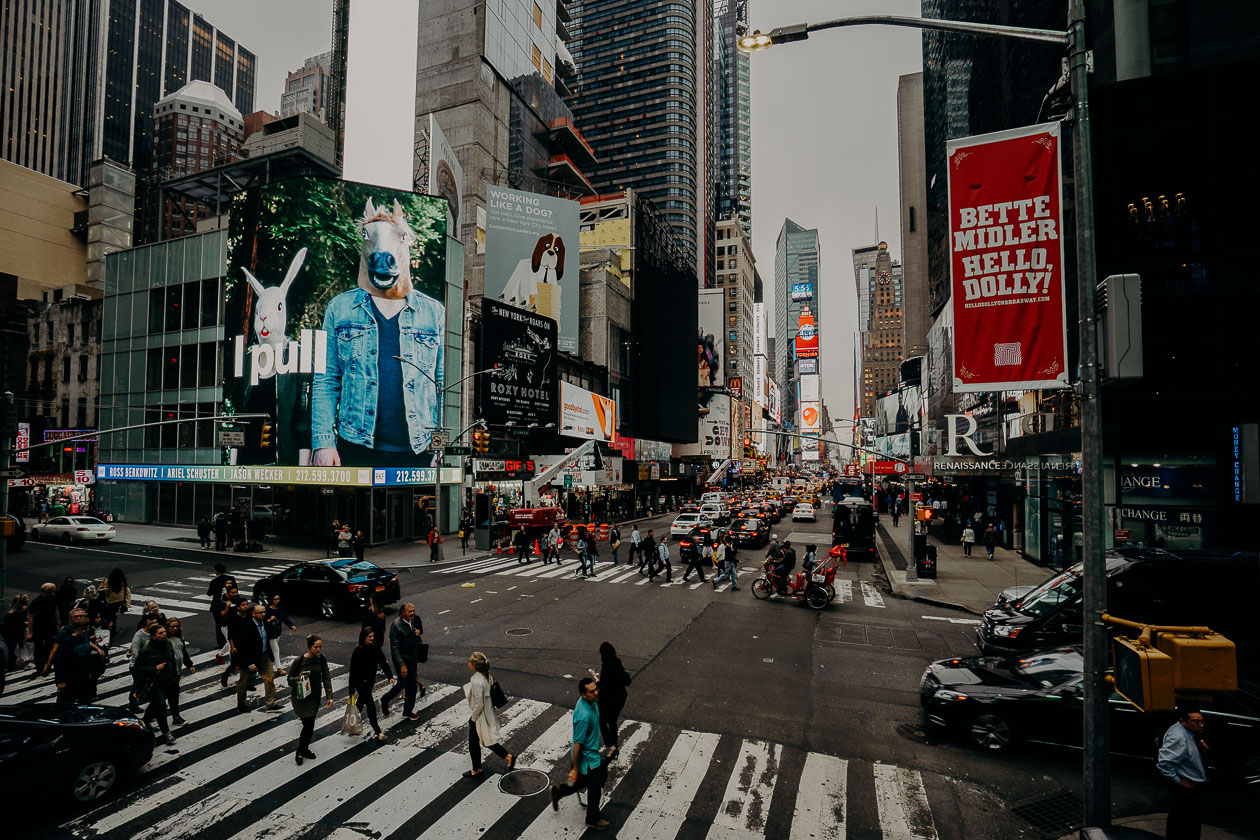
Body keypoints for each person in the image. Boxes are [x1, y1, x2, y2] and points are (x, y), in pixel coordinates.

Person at [549, 677, 610, 830]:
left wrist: (599, 682)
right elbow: (577, 745)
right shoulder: (584, 717)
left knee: (581, 782)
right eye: (592, 691)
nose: (596, 693)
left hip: (591, 755)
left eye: (596, 689)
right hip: (587, 759)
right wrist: (575, 768)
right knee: (595, 788)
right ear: (584, 695)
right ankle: (592, 818)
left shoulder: (588, 700)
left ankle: (558, 792)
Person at [1157, 708, 1209, 840]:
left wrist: (1199, 745)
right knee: (1183, 822)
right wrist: (1177, 780)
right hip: (1187, 786)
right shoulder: (1179, 738)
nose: (1201, 725)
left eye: (1202, 721)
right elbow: (1164, 763)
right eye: (1196, 722)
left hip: (1191, 782)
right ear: (1182, 721)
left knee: (1187, 821)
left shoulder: (1186, 732)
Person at [464, 651, 514, 777]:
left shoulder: (476, 681)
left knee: (482, 741)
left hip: (481, 717)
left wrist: (473, 719)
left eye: (470, 661)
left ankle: (478, 769)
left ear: (474, 665)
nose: (468, 663)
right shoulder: (487, 675)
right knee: (480, 740)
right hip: (488, 712)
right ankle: (505, 758)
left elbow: (478, 704)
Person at [288, 634, 334, 764]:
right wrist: (300, 678)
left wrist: (329, 696)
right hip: (301, 698)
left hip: (314, 697)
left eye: (320, 647)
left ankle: (303, 749)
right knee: (308, 725)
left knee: (310, 725)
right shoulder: (300, 660)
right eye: (315, 647)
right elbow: (289, 679)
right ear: (309, 647)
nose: (318, 649)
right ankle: (301, 750)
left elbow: (326, 677)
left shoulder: (322, 659)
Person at [133, 624, 178, 745]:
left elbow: (172, 660)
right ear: (153, 636)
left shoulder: (168, 644)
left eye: (164, 632)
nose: (164, 635)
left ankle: (145, 721)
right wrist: (154, 668)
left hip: (168, 680)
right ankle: (166, 733)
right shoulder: (146, 650)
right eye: (160, 633)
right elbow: (137, 668)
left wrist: (175, 675)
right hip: (154, 683)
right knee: (161, 706)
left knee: (156, 704)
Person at [231, 603, 279, 713]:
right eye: (260, 613)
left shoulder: (265, 624)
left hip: (264, 655)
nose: (263, 614)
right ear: (253, 614)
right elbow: (242, 647)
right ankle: (241, 704)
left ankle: (270, 704)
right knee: (244, 681)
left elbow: (269, 637)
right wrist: (250, 663)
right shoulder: (247, 627)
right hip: (249, 658)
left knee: (270, 678)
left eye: (264, 612)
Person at [381, 602, 425, 719]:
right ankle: (385, 700)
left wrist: (418, 632)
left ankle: (408, 711)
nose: (412, 613)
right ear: (403, 612)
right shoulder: (396, 625)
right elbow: (394, 648)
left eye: (413, 611)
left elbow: (420, 630)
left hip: (412, 658)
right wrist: (401, 665)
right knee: (402, 684)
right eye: (409, 611)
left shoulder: (414, 620)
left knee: (412, 686)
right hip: (402, 660)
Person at [350, 625, 394, 742]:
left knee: (361, 702)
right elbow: (353, 671)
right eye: (369, 636)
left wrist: (389, 676)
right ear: (363, 637)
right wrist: (351, 690)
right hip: (360, 682)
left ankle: (352, 723)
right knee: (370, 705)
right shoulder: (358, 650)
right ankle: (378, 731)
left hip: (370, 681)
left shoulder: (375, 648)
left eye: (373, 636)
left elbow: (383, 662)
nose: (372, 638)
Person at [52, 609, 104, 704]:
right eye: (81, 629)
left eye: (86, 629)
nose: (84, 631)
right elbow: (59, 661)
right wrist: (60, 681)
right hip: (70, 677)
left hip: (83, 677)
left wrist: (89, 671)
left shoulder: (85, 638)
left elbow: (87, 657)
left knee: (84, 701)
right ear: (76, 629)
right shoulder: (68, 641)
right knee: (67, 702)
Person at [592, 642, 631, 759]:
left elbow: (603, 686)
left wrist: (595, 678)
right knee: (612, 722)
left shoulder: (606, 668)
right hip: (620, 698)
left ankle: (611, 746)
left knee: (602, 721)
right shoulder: (617, 662)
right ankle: (614, 748)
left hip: (608, 700)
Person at [164, 618, 195, 725]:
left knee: (173, 696)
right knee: (163, 697)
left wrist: (189, 664)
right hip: (167, 673)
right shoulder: (164, 640)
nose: (175, 628)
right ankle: (147, 718)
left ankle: (176, 717)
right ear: (167, 627)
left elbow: (183, 652)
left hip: (176, 672)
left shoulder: (179, 638)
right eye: (173, 626)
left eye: (177, 626)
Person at [27, 583, 59, 680]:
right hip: (39, 628)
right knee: (39, 647)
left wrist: (58, 622)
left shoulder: (53, 598)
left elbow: (55, 610)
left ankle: (47, 662)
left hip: (51, 627)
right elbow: (31, 618)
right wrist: (31, 632)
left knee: (50, 645)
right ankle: (40, 667)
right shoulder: (37, 602)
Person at [265, 594, 298, 675]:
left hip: (277, 632)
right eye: (275, 599)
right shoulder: (267, 610)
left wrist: (291, 625)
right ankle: (279, 668)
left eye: (278, 599)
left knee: (270, 651)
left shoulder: (280, 609)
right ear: (271, 600)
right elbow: (263, 622)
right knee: (276, 650)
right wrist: (269, 619)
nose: (277, 600)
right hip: (270, 634)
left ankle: (264, 666)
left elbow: (285, 618)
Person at [103, 568, 131, 647]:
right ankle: (112, 628)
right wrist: (124, 605)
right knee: (112, 616)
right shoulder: (122, 582)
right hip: (116, 603)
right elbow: (126, 593)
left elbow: (102, 590)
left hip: (109, 604)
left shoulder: (108, 581)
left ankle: (109, 629)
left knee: (109, 616)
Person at [3, 594, 30, 671]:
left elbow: (7, 623)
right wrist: (27, 623)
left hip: (11, 632)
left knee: (11, 649)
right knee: (23, 647)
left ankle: (11, 663)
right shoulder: (25, 609)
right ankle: (27, 663)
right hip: (20, 631)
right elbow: (23, 621)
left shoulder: (10, 612)